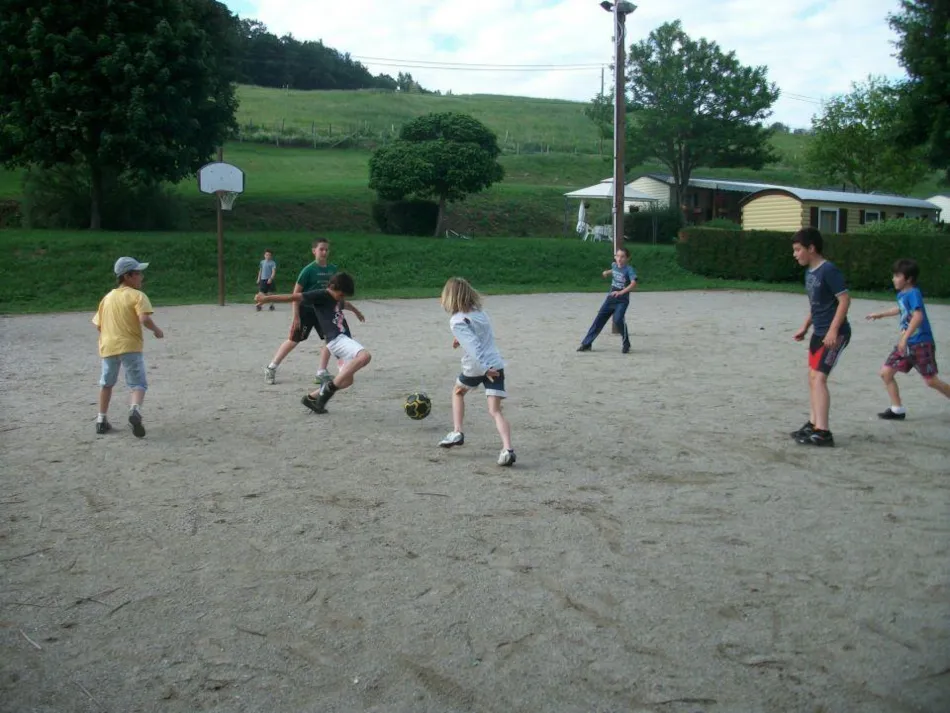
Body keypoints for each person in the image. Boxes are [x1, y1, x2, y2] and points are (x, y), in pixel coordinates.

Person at [256, 273, 367, 414]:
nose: (341, 298)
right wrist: (266, 299)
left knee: (346, 380)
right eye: (341, 295)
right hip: (337, 338)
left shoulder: (337, 298)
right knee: (364, 356)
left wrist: (357, 312)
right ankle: (327, 391)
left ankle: (310, 398)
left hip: (343, 340)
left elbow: (346, 304)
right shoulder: (321, 295)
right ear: (333, 287)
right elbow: (293, 297)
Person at [437, 277, 515, 467]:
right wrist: (460, 339)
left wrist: (484, 368)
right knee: (495, 410)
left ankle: (457, 432)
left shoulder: (456, 320)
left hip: (477, 366)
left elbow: (473, 346)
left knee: (458, 391)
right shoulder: (480, 313)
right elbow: (480, 335)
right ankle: (508, 449)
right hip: (496, 364)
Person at [866, 258, 950, 418]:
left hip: (921, 343)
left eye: (897, 276)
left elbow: (918, 316)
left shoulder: (913, 293)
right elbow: (901, 309)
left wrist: (904, 338)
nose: (893, 279)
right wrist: (881, 314)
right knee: (886, 373)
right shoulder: (902, 294)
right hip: (907, 344)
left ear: (909, 279)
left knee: (931, 381)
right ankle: (897, 409)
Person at [790, 228, 851, 447]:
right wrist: (805, 327)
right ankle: (813, 423)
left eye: (798, 250)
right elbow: (816, 305)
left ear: (811, 248)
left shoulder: (828, 270)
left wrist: (833, 331)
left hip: (835, 334)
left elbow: (844, 300)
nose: (795, 254)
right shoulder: (810, 273)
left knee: (819, 379)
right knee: (812, 377)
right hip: (818, 333)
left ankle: (824, 432)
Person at [92, 257, 164, 437]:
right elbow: (144, 319)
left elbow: (99, 325)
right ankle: (135, 410)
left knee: (106, 383)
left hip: (108, 347)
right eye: (138, 273)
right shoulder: (138, 296)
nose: (142, 277)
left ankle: (101, 420)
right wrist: (156, 330)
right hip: (130, 346)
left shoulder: (107, 298)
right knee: (138, 384)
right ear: (127, 276)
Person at [263, 237, 346, 385]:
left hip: (323, 312)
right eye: (321, 249)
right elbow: (295, 294)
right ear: (314, 251)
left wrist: (338, 308)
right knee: (294, 340)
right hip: (306, 311)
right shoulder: (308, 270)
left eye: (326, 249)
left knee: (330, 339)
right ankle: (271, 368)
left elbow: (335, 293)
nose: (324, 252)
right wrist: (296, 316)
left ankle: (321, 372)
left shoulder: (333, 270)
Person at [576, 247, 637, 354]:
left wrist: (621, 292)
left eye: (622, 257)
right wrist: (607, 272)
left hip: (622, 300)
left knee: (618, 319)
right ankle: (587, 343)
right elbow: (614, 270)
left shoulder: (629, 269)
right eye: (617, 256)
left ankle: (626, 343)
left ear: (627, 258)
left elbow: (633, 283)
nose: (619, 259)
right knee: (599, 319)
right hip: (610, 299)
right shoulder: (614, 265)